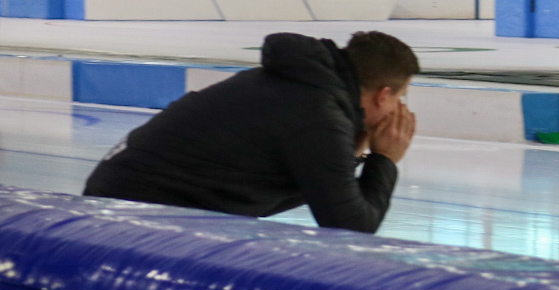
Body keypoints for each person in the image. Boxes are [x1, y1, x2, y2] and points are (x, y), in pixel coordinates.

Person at [83, 31, 419, 234]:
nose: (397, 112)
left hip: (129, 198)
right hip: (128, 213)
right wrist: (384, 160)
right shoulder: (318, 112)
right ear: (383, 95)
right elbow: (351, 228)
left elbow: (284, 192)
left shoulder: (310, 88)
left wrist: (354, 154)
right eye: (399, 100)